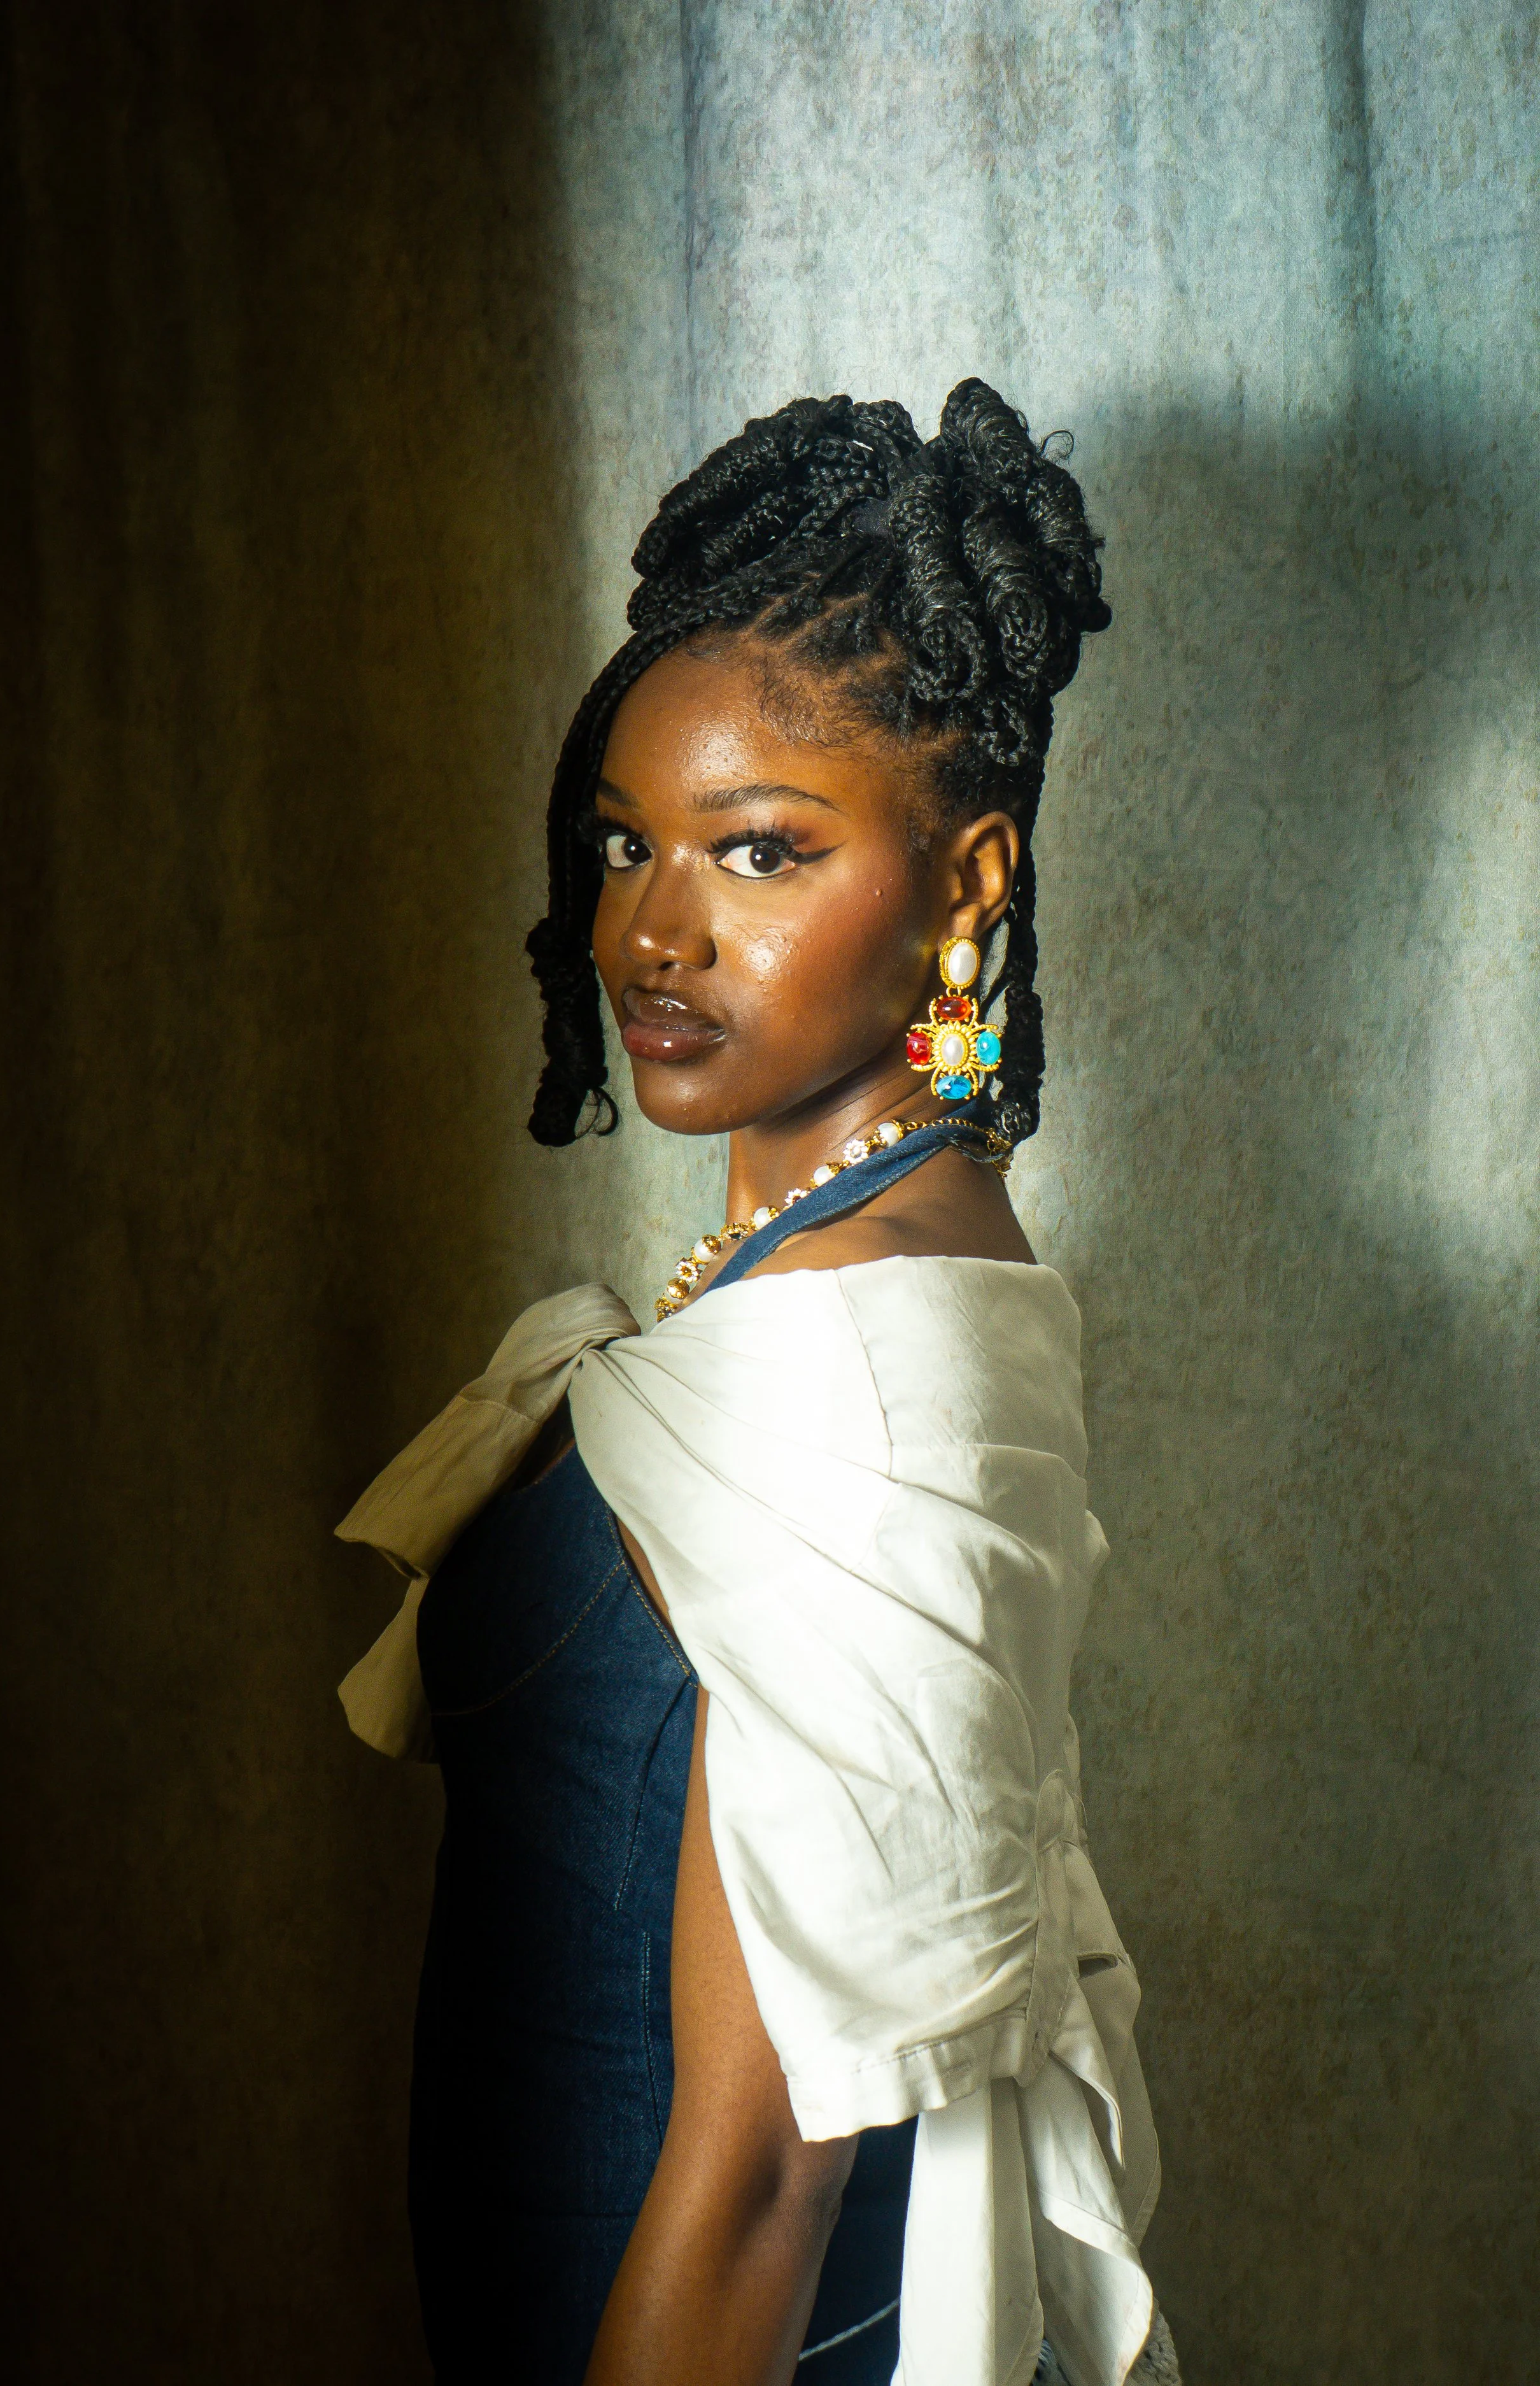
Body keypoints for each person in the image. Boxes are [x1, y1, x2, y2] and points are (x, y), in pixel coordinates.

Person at [337, 380, 1180, 2386]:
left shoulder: (857, 1381)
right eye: (626, 842)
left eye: (758, 851)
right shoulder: (816, 1279)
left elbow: (761, 2175)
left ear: (964, 887)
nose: (652, 928)